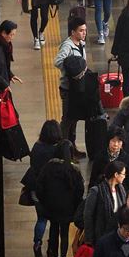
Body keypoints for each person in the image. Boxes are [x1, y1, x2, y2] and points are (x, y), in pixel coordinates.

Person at [35, 140, 85, 257]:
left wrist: (44, 201)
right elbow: (79, 190)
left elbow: (39, 186)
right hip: (67, 208)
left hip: (51, 206)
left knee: (53, 229)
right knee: (64, 233)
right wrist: (75, 204)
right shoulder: (73, 170)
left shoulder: (48, 167)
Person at [29, 120, 62, 257]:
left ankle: (37, 243)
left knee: (41, 219)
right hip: (54, 192)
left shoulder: (36, 147)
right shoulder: (57, 150)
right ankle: (51, 249)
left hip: (37, 190)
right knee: (55, 222)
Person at [54, 17, 88, 160]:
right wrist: (72, 68)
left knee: (74, 118)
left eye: (85, 30)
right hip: (68, 89)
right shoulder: (67, 46)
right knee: (67, 120)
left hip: (78, 88)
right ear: (73, 32)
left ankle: (72, 147)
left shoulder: (81, 44)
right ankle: (64, 150)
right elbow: (58, 61)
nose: (84, 33)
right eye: (81, 31)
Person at [84, 160, 127, 247]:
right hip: (100, 236)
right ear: (116, 174)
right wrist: (89, 239)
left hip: (117, 236)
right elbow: (88, 216)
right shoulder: (96, 191)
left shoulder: (121, 190)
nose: (124, 177)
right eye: (123, 174)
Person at [0, 19, 21, 93]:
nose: (12, 38)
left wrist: (10, 74)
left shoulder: (3, 44)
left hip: (3, 84)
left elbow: (2, 65)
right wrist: (4, 84)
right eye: (11, 35)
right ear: (3, 33)